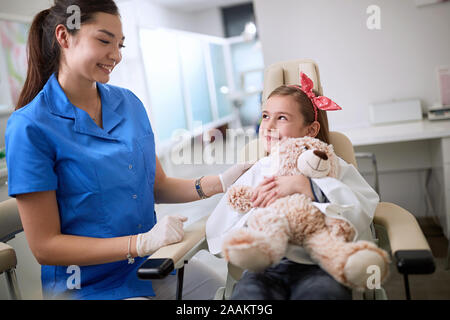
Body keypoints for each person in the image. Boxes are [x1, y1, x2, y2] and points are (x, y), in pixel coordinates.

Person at [5, 0, 250, 300]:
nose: (116, 55)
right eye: (104, 40)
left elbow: (157, 185)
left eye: (120, 45)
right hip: (85, 286)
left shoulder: (129, 104)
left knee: (235, 299)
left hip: (149, 267)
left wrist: (221, 182)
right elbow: (45, 246)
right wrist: (139, 243)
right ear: (64, 36)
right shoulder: (30, 126)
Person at [205, 72, 380, 300]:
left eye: (282, 118)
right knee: (248, 297)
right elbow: (219, 226)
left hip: (321, 265)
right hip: (264, 269)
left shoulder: (333, 165)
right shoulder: (258, 170)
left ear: (311, 130)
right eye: (265, 116)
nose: (268, 126)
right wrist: (258, 216)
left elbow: (363, 207)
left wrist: (308, 186)